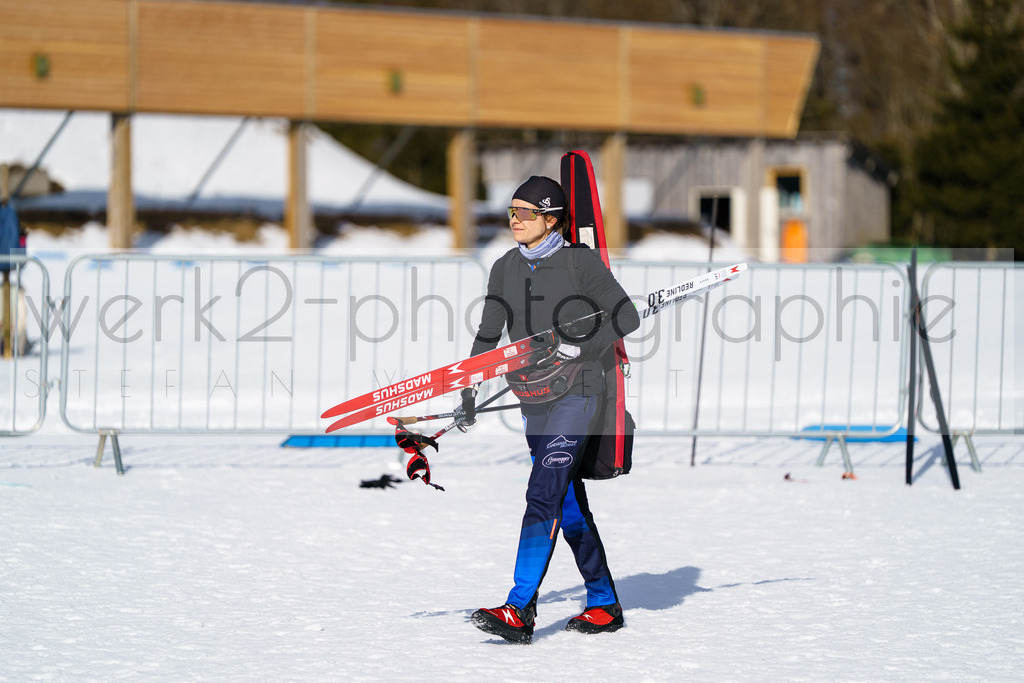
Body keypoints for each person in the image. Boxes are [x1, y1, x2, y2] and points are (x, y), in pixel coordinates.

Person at [464, 175, 640, 644]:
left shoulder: (580, 263)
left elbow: (627, 315)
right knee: (566, 502)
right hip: (533, 398)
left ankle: (519, 608)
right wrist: (468, 386)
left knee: (542, 491)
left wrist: (580, 347)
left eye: (525, 212)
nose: (515, 220)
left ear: (551, 218)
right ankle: (603, 602)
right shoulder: (504, 266)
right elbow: (489, 333)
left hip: (580, 393)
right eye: (512, 211)